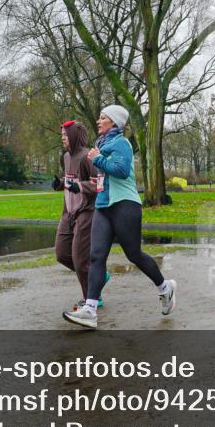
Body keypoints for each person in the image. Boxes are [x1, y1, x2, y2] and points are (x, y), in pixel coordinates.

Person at [62, 105, 176, 329]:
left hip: (125, 204)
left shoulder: (121, 143)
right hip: (104, 205)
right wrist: (91, 180)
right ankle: (90, 309)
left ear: (114, 122)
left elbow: (122, 170)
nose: (98, 120)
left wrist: (98, 160)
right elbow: (106, 173)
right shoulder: (100, 145)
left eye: (103, 117)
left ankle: (165, 288)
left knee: (134, 254)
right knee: (96, 256)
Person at [53, 120, 107, 309]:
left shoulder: (87, 157)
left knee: (80, 258)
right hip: (68, 212)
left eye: (66, 135)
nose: (63, 138)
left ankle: (92, 298)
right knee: (61, 253)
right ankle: (97, 275)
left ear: (75, 136)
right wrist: (60, 184)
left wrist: (81, 186)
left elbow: (99, 185)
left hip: (86, 212)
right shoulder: (66, 157)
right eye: (62, 135)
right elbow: (69, 179)